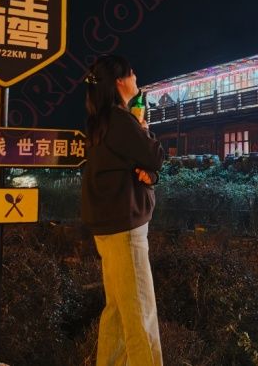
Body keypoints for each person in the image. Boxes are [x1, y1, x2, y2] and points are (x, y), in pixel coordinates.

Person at [81, 54, 165, 366]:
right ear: (119, 82)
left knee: (118, 311)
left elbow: (141, 166)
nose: (136, 77)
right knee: (141, 313)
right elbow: (154, 156)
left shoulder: (101, 121)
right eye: (131, 73)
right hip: (126, 228)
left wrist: (150, 175)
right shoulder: (121, 120)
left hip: (108, 226)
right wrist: (141, 124)